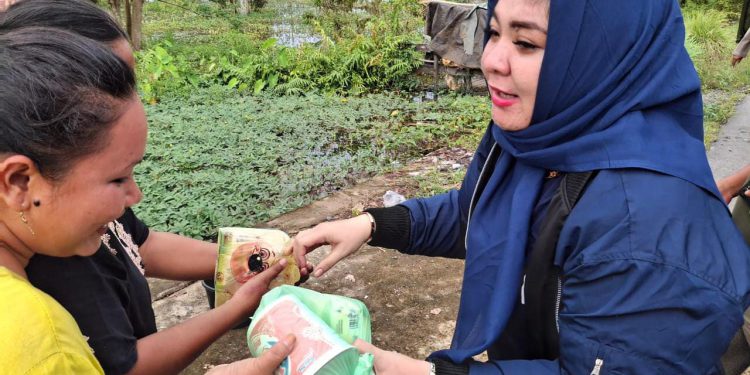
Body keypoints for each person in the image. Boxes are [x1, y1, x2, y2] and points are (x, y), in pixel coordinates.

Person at [292, 0, 750, 373]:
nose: (490, 60)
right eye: (494, 33)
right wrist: (372, 225)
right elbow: (486, 216)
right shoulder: (549, 134)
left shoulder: (643, 226)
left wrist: (431, 373)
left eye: (526, 42)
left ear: (598, 55)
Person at [0, 25, 292, 375]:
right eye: (118, 178)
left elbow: (142, 244)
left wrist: (251, 256)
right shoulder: (44, 344)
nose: (135, 195)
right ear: (18, 182)